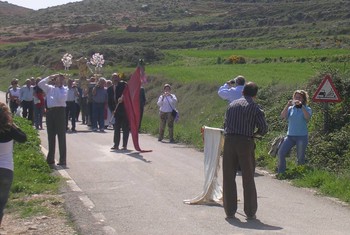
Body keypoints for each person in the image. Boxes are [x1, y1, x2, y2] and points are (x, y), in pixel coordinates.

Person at [222, 82, 268, 220]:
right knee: (248, 177)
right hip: (245, 142)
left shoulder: (231, 105)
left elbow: (225, 124)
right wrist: (256, 134)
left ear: (242, 92)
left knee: (228, 176)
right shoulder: (255, 107)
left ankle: (229, 211)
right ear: (255, 95)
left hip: (229, 141)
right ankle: (250, 211)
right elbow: (264, 128)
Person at [0, 102, 27, 228]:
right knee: (1, 204)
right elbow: (23, 138)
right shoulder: (9, 128)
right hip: (6, 169)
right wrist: (14, 125)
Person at [277, 90, 312, 174]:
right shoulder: (290, 108)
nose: (297, 99)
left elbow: (307, 118)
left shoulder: (307, 108)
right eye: (295, 97)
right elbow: (282, 116)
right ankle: (281, 172)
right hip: (290, 136)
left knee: (300, 157)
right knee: (281, 153)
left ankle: (299, 174)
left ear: (303, 99)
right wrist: (287, 105)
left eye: (299, 97)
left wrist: (302, 107)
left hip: (302, 136)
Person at [38, 74, 68, 168]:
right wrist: (50, 77)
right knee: (51, 135)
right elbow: (40, 84)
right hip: (50, 112)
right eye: (57, 79)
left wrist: (58, 87)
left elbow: (61, 99)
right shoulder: (50, 88)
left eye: (61, 80)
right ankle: (50, 159)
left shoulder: (64, 89)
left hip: (60, 112)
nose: (59, 81)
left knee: (61, 136)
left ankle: (62, 160)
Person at [107, 73, 129, 150]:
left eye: (116, 77)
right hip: (116, 111)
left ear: (118, 78)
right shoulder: (109, 89)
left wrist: (123, 98)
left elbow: (127, 88)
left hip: (124, 110)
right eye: (113, 78)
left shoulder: (123, 85)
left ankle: (124, 145)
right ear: (111, 79)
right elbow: (109, 101)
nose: (115, 79)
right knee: (116, 128)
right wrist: (112, 110)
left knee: (125, 128)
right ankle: (116, 144)